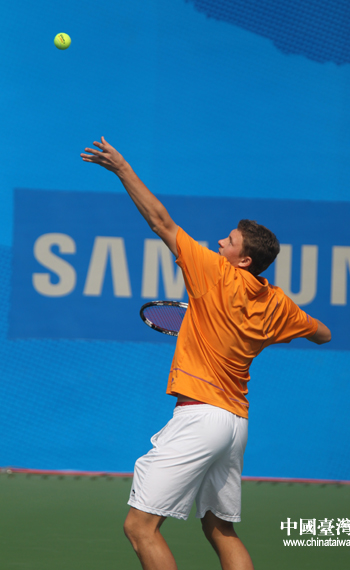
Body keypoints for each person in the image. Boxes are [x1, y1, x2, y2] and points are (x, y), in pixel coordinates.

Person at [81, 137, 331, 570]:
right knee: (220, 528)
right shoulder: (279, 304)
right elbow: (323, 334)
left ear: (243, 260)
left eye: (229, 240)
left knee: (140, 527)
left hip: (200, 417)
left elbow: (160, 221)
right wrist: (267, 335)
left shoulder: (215, 273)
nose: (219, 241)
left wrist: (121, 168)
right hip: (235, 426)